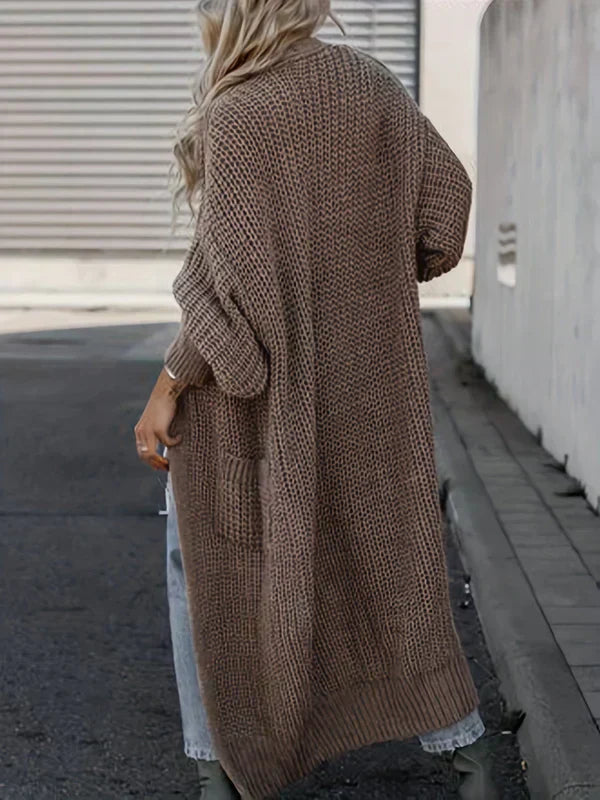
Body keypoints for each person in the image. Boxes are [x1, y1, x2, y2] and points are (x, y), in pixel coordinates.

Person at [134, 2, 498, 798]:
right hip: (372, 390)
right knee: (393, 565)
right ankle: (468, 755)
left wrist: (167, 387)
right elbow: (445, 214)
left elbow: (228, 303)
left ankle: (219, 769)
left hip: (254, 404)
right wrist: (365, 275)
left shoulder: (240, 112)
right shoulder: (373, 84)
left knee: (206, 564)